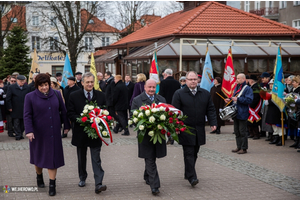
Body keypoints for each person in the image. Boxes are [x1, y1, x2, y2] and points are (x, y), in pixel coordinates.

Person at [24, 74, 70, 196]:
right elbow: (27, 115)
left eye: (46, 85)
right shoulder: (30, 97)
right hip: (37, 133)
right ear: (37, 86)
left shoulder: (56, 94)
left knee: (52, 159)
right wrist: (29, 130)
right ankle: (39, 176)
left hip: (53, 132)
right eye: (41, 85)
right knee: (38, 158)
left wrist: (66, 126)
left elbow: (63, 111)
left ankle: (52, 184)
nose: (44, 88)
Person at [172, 71, 217, 187]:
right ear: (185, 80)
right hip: (185, 128)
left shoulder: (205, 93)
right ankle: (192, 177)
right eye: (190, 79)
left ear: (198, 80)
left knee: (195, 152)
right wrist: (176, 126)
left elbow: (210, 109)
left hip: (199, 128)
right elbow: (174, 112)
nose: (193, 81)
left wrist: (213, 123)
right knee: (189, 152)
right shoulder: (179, 93)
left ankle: (188, 172)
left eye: (194, 79)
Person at [67, 72, 107, 194]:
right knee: (81, 157)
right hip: (80, 132)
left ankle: (98, 183)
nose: (90, 84)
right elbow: (70, 113)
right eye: (87, 82)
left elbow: (105, 111)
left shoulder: (100, 95)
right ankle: (82, 178)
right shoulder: (74, 95)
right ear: (82, 83)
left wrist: (99, 120)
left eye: (91, 82)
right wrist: (83, 119)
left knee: (96, 158)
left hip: (95, 132)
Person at [131, 79, 167, 195]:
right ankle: (155, 186)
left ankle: (147, 175)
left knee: (153, 157)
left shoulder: (161, 99)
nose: (152, 89)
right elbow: (133, 116)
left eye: (154, 87)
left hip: (158, 135)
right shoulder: (137, 100)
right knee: (150, 158)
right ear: (145, 87)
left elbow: (166, 115)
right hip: (145, 136)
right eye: (149, 87)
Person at [225, 73, 253, 154]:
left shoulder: (247, 88)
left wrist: (238, 99)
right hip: (236, 112)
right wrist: (229, 99)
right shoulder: (237, 87)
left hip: (243, 112)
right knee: (236, 131)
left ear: (243, 79)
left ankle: (244, 148)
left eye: (238, 78)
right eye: (237, 78)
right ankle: (239, 146)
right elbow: (235, 98)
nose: (236, 80)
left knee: (242, 131)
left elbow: (249, 100)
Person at [6, 75, 31, 140]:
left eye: (23, 81)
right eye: (21, 81)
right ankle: (18, 134)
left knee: (23, 122)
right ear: (17, 81)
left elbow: (30, 97)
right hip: (15, 107)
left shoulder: (27, 87)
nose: (22, 82)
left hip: (24, 107)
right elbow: (8, 98)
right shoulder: (12, 87)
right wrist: (9, 107)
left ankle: (21, 133)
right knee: (16, 122)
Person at [265, 79, 287, 146]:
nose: (271, 86)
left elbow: (277, 101)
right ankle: (276, 137)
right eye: (270, 84)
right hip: (271, 111)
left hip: (277, 111)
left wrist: (268, 102)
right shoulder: (270, 92)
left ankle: (281, 139)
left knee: (279, 126)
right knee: (274, 125)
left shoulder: (279, 92)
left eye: (272, 84)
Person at [247, 75, 262, 140]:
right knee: (250, 121)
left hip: (255, 107)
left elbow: (256, 98)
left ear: (252, 80)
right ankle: (252, 133)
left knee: (254, 122)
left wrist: (251, 104)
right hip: (251, 106)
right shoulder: (252, 86)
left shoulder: (256, 87)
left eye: (249, 80)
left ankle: (256, 134)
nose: (248, 81)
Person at [288, 75, 300, 148]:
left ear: (298, 83)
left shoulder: (299, 90)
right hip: (294, 109)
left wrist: (295, 100)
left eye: (294, 82)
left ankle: (298, 142)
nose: (292, 83)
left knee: (298, 127)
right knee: (296, 126)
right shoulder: (293, 89)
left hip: (298, 109)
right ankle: (297, 141)